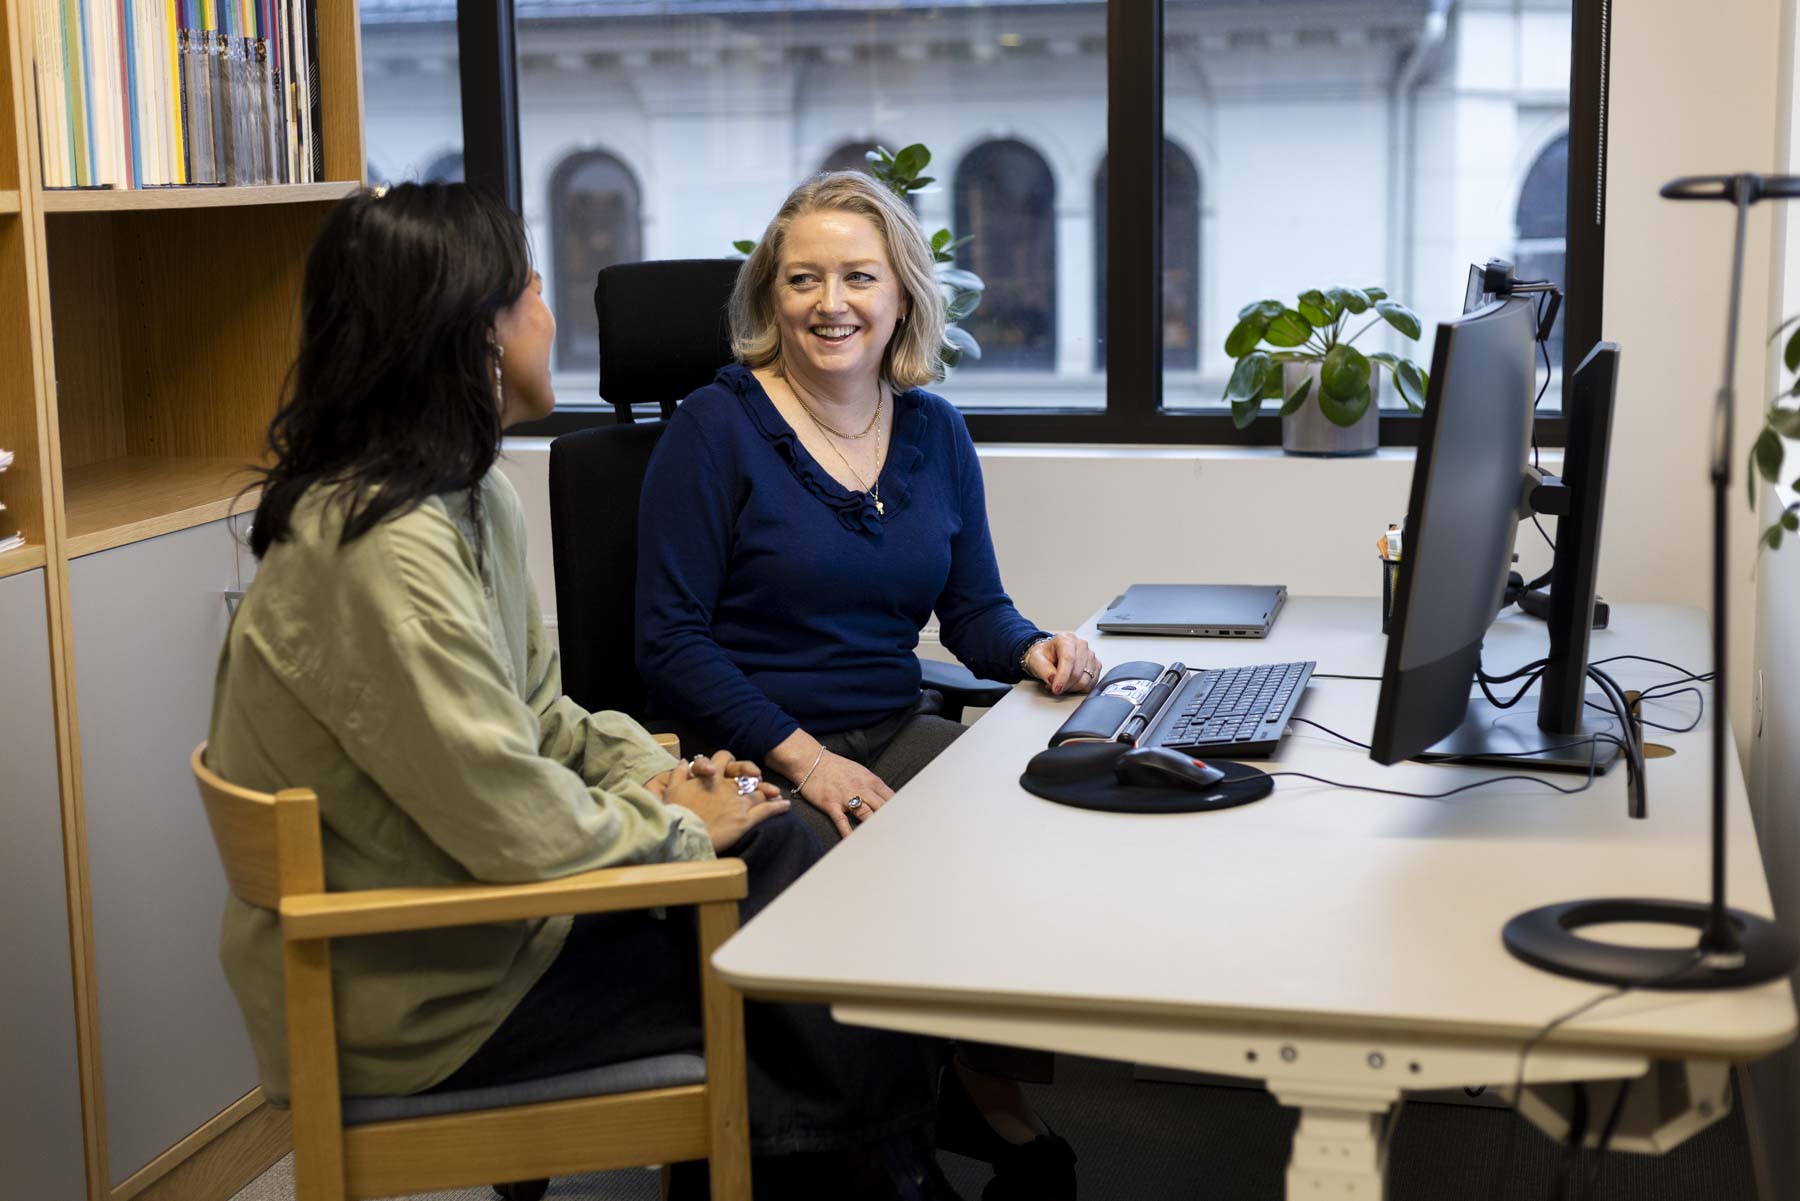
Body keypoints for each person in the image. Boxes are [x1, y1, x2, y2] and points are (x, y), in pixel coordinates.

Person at [206, 182, 952, 1200]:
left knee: (783, 861)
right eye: (531, 291)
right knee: (803, 941)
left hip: (476, 930)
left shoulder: (466, 494)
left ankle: (863, 1164)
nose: (549, 315)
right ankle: (884, 1171)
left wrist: (670, 775)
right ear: (476, 333)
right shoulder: (385, 551)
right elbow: (509, 818)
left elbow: (543, 717)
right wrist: (683, 828)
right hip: (426, 995)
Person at [635, 171, 1096, 1199]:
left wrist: (1034, 648)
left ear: (901, 295)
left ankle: (977, 1086)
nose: (830, 301)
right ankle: (880, 1148)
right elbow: (668, 642)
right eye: (802, 278)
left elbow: (972, 609)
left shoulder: (933, 429)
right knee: (830, 848)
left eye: (857, 276)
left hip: (889, 722)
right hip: (748, 747)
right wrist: (807, 761)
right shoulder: (714, 429)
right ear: (770, 295)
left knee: (1021, 804)